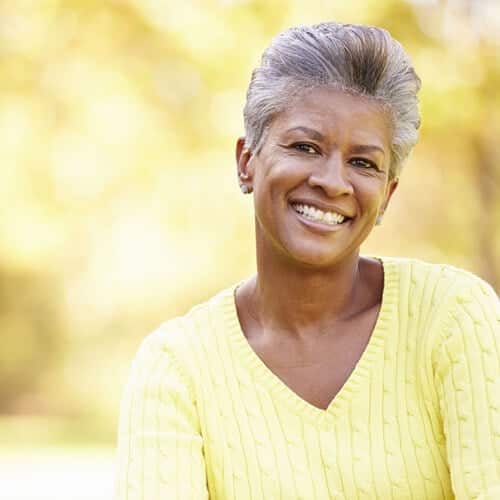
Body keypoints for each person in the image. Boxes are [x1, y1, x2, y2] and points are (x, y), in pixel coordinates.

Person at [115, 22, 500, 499]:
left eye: (363, 163)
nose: (333, 181)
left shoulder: (454, 317)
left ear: (387, 194)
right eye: (305, 147)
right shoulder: (177, 367)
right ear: (246, 161)